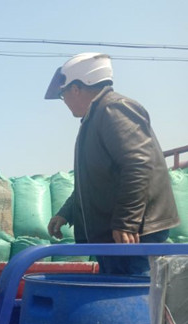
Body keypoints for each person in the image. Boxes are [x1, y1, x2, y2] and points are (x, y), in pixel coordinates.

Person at [45, 53, 179, 275]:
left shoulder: (113, 109)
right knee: (116, 291)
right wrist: (67, 212)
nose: (64, 101)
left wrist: (127, 222)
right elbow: (94, 181)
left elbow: (138, 165)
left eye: (63, 94)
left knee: (135, 294)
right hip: (115, 235)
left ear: (75, 89)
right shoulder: (94, 117)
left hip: (133, 236)